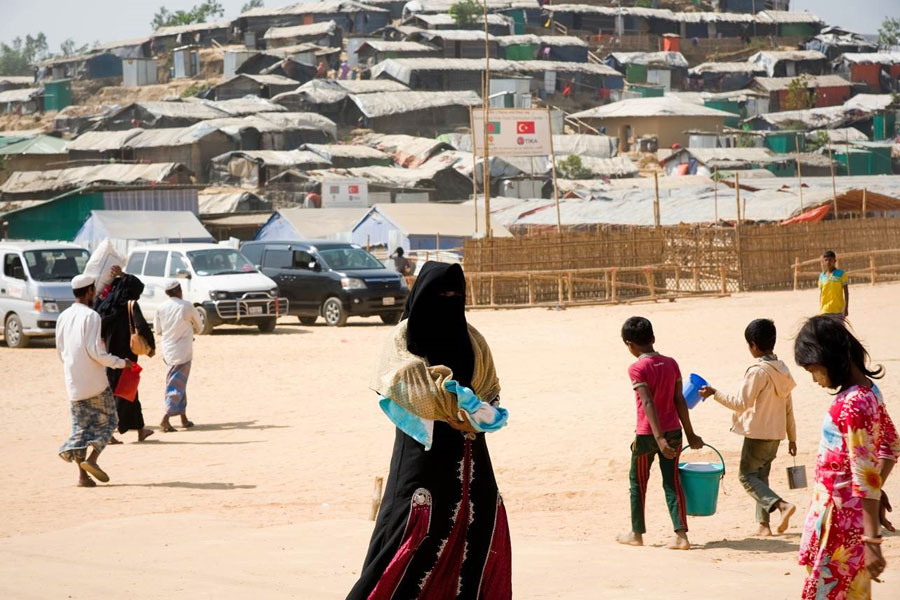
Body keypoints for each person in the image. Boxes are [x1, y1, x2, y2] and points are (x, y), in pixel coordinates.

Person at [347, 262, 511, 599]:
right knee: (411, 539)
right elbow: (398, 385)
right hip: (422, 458)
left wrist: (477, 416)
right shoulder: (402, 340)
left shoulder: (473, 340)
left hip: (472, 460)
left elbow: (490, 389)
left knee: (473, 538)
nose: (449, 300)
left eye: (455, 295)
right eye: (440, 294)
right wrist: (447, 406)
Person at [794, 316, 899, 599]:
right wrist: (876, 489)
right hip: (846, 520)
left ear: (828, 359)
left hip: (839, 526)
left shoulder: (853, 404)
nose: (815, 380)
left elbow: (866, 474)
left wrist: (872, 540)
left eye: (814, 371)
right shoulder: (869, 392)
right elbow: (892, 445)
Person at [698, 319, 798, 536]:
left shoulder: (758, 372)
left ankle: (781, 506)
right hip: (777, 434)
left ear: (753, 345)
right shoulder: (782, 369)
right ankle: (764, 526)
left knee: (746, 476)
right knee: (761, 477)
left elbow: (740, 404)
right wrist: (792, 437)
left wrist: (714, 393)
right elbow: (788, 406)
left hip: (758, 434)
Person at [617, 316, 703, 550]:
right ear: (653, 338)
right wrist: (691, 434)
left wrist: (658, 438)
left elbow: (647, 403)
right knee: (672, 482)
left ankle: (637, 533)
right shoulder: (671, 364)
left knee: (638, 483)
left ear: (629, 344)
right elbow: (679, 401)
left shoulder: (637, 367)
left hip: (647, 435)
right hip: (674, 430)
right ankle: (682, 536)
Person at [56, 274, 132, 487]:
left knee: (80, 428)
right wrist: (121, 363)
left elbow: (61, 352)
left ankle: (82, 477)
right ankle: (92, 460)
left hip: (73, 382)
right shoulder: (92, 316)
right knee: (110, 422)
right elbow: (97, 353)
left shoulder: (63, 317)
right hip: (95, 383)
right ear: (89, 291)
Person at [95, 266, 156, 443]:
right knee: (121, 393)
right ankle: (109, 432)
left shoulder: (106, 305)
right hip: (127, 355)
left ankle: (140, 428)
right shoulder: (130, 305)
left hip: (110, 356)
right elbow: (142, 327)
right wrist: (150, 347)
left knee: (130, 389)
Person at [153, 280, 202, 432]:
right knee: (176, 385)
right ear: (179, 290)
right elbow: (199, 327)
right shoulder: (186, 306)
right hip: (183, 351)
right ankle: (165, 418)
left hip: (168, 351)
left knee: (179, 382)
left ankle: (183, 418)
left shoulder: (160, 307)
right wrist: (189, 331)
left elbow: (158, 330)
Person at [819, 250, 849, 319]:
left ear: (835, 261)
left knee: (838, 329)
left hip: (838, 310)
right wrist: (821, 308)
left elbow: (846, 292)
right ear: (823, 262)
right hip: (825, 310)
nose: (828, 262)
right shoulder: (821, 276)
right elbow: (821, 293)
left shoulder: (841, 274)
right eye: (826, 260)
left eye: (830, 260)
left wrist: (846, 307)